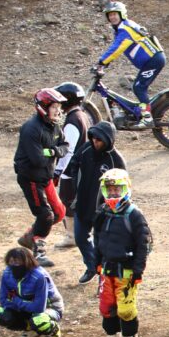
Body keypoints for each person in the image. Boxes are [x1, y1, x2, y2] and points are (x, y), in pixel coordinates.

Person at [94, 168, 151, 337]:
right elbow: (96, 239)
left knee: (126, 311)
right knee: (106, 308)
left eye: (117, 189)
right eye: (109, 189)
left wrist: (138, 270)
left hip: (126, 272)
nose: (113, 193)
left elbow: (143, 244)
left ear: (125, 189)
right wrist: (95, 263)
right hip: (106, 269)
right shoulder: (102, 212)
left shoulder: (134, 215)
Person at [59, 121, 125, 284]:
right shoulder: (86, 149)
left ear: (108, 140)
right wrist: (76, 186)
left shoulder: (115, 160)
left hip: (103, 211)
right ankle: (92, 267)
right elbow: (73, 164)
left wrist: (113, 208)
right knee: (80, 238)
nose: (95, 142)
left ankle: (104, 277)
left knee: (103, 245)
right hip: (82, 205)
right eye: (93, 138)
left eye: (99, 139)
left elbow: (124, 189)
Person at [13, 88, 69, 268]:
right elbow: (37, 160)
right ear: (44, 107)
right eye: (54, 107)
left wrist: (51, 151)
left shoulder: (55, 126)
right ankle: (39, 251)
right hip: (31, 178)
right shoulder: (31, 129)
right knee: (45, 215)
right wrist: (54, 152)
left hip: (45, 176)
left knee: (59, 212)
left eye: (59, 107)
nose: (58, 111)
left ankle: (29, 236)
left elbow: (65, 146)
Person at [96, 1, 165, 128]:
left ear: (122, 14)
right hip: (151, 60)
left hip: (153, 60)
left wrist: (101, 62)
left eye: (115, 14)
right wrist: (105, 63)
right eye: (110, 15)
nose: (112, 17)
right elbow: (117, 49)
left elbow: (117, 48)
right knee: (138, 86)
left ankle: (147, 118)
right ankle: (142, 112)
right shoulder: (124, 27)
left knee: (139, 87)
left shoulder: (125, 29)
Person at [0, 247, 64, 337]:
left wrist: (15, 299)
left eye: (17, 262)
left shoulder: (38, 276)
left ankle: (53, 333)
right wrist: (19, 304)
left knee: (38, 319)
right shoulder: (7, 273)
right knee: (0, 315)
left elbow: (38, 308)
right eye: (11, 262)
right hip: (26, 307)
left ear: (27, 261)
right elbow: (3, 300)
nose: (14, 265)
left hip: (50, 307)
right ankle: (31, 331)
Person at [52, 81, 92, 251]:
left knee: (67, 202)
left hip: (72, 170)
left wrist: (58, 171)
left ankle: (72, 236)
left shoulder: (72, 120)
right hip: (82, 168)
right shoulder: (82, 116)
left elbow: (68, 150)